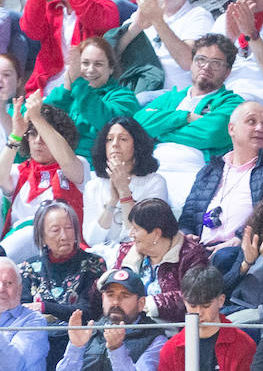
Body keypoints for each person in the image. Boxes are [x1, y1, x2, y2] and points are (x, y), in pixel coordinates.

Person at [179, 101, 263, 246]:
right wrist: (187, 234)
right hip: (201, 249)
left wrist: (240, 239)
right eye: (251, 121)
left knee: (224, 258)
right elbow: (188, 215)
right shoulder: (210, 170)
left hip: (244, 249)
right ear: (231, 129)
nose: (260, 128)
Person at [132, 34, 244, 167]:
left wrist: (158, 132)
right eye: (201, 59)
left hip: (196, 172)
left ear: (227, 72)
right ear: (192, 63)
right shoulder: (170, 97)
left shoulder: (233, 104)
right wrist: (186, 117)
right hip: (151, 167)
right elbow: (136, 125)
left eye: (216, 63)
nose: (206, 67)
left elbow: (211, 134)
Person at [82, 118, 169, 260]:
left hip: (140, 257)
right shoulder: (93, 186)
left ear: (137, 145)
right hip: (101, 259)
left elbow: (141, 236)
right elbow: (93, 240)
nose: (115, 144)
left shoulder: (155, 182)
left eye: (123, 139)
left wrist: (124, 192)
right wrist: (112, 201)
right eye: (109, 140)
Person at [112, 199, 209, 322]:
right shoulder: (126, 252)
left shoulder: (191, 255)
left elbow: (194, 297)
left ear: (156, 233)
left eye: (136, 229)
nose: (131, 234)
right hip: (126, 324)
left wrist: (147, 304)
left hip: (170, 329)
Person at [58, 265, 168, 371]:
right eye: (110, 295)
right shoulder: (90, 331)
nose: (115, 302)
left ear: (141, 303)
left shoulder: (154, 339)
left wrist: (117, 350)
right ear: (102, 299)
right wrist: (76, 347)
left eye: (125, 296)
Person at [43, 37, 139, 160]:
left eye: (98, 64)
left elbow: (108, 122)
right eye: (85, 63)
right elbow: (44, 118)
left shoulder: (124, 97)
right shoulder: (71, 93)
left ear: (111, 68)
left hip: (99, 170)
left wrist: (77, 83)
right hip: (62, 166)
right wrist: (67, 88)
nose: (90, 70)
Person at [17, 200, 103, 332]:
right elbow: (20, 309)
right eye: (55, 230)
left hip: (79, 337)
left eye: (69, 228)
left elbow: (89, 311)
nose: (64, 236)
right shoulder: (28, 268)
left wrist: (44, 307)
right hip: (37, 337)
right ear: (42, 236)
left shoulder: (93, 264)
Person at [157, 266, 257, 370]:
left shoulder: (244, 345)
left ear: (221, 301)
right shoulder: (170, 349)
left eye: (206, 306)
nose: (199, 313)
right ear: (184, 302)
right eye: (193, 306)